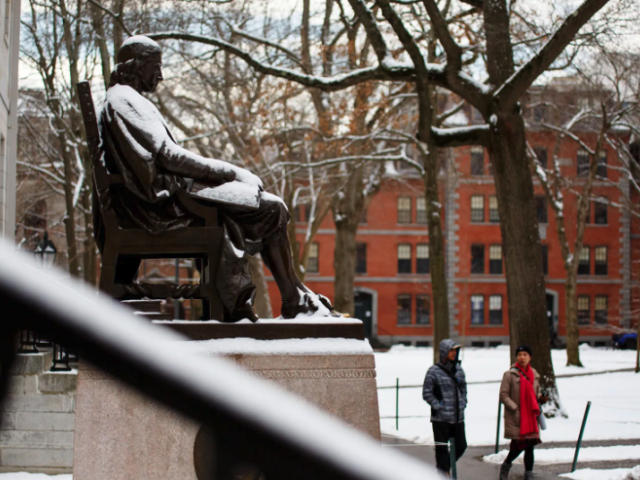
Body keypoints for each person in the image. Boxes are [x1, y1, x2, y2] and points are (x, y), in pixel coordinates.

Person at [96, 35, 334, 321]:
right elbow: (170, 156)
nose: (160, 75)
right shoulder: (124, 101)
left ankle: (294, 295)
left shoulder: (127, 100)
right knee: (272, 208)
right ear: (136, 66)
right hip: (155, 210)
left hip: (162, 202)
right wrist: (228, 172)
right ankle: (292, 299)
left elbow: (165, 157)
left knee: (269, 207)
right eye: (155, 66)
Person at [498, 345, 544, 480]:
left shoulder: (534, 375)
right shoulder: (510, 374)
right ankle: (506, 465)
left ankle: (528, 474)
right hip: (517, 417)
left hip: (531, 416)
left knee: (530, 446)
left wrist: (542, 397)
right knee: (518, 446)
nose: (522, 357)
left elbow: (537, 393)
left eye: (525, 354)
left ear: (530, 357)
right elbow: (503, 395)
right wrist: (515, 408)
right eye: (519, 355)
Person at [422, 339, 468, 475]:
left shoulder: (459, 370)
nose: (454, 353)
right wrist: (439, 406)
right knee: (441, 450)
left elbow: (463, 388)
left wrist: (463, 402)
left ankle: (443, 469)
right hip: (440, 419)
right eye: (451, 350)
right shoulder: (433, 371)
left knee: (461, 446)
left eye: (455, 350)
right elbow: (426, 393)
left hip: (458, 418)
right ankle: (443, 472)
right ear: (444, 352)